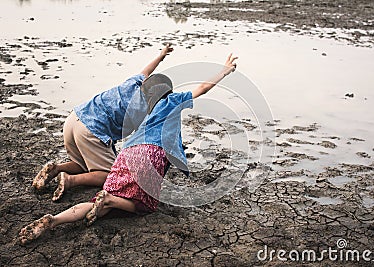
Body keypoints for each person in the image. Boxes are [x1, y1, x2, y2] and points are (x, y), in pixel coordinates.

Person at [19, 53, 238, 245]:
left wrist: (161, 55)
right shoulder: (172, 100)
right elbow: (202, 88)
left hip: (127, 154)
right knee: (146, 205)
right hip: (151, 154)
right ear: (167, 92)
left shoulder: (145, 109)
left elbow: (145, 72)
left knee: (99, 204)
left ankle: (55, 219)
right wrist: (224, 72)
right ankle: (111, 200)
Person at [32, 44, 174, 202]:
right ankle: (70, 180)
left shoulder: (134, 83)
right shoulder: (143, 109)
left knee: (85, 164)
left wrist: (161, 56)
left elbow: (146, 70)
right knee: (110, 175)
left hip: (74, 118)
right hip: (90, 131)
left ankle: (57, 168)